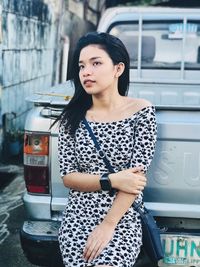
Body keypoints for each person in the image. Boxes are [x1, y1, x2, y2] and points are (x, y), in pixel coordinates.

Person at [57, 32, 157, 267]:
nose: (86, 72)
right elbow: (69, 176)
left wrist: (108, 225)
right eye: (82, 66)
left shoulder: (141, 111)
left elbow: (135, 180)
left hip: (121, 215)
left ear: (118, 69)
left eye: (96, 63)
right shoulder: (72, 118)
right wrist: (111, 179)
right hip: (78, 215)